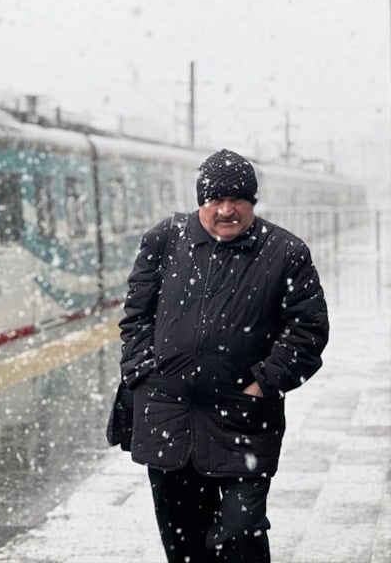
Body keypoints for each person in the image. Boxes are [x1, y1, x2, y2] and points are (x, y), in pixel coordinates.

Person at [116, 149, 329, 562]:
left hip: (243, 420)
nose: (226, 210)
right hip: (169, 419)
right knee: (184, 544)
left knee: (240, 533)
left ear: (253, 202)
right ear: (201, 201)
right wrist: (143, 373)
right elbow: (136, 317)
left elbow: (309, 331)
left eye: (238, 200)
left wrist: (264, 382)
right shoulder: (164, 241)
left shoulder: (285, 252)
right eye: (216, 199)